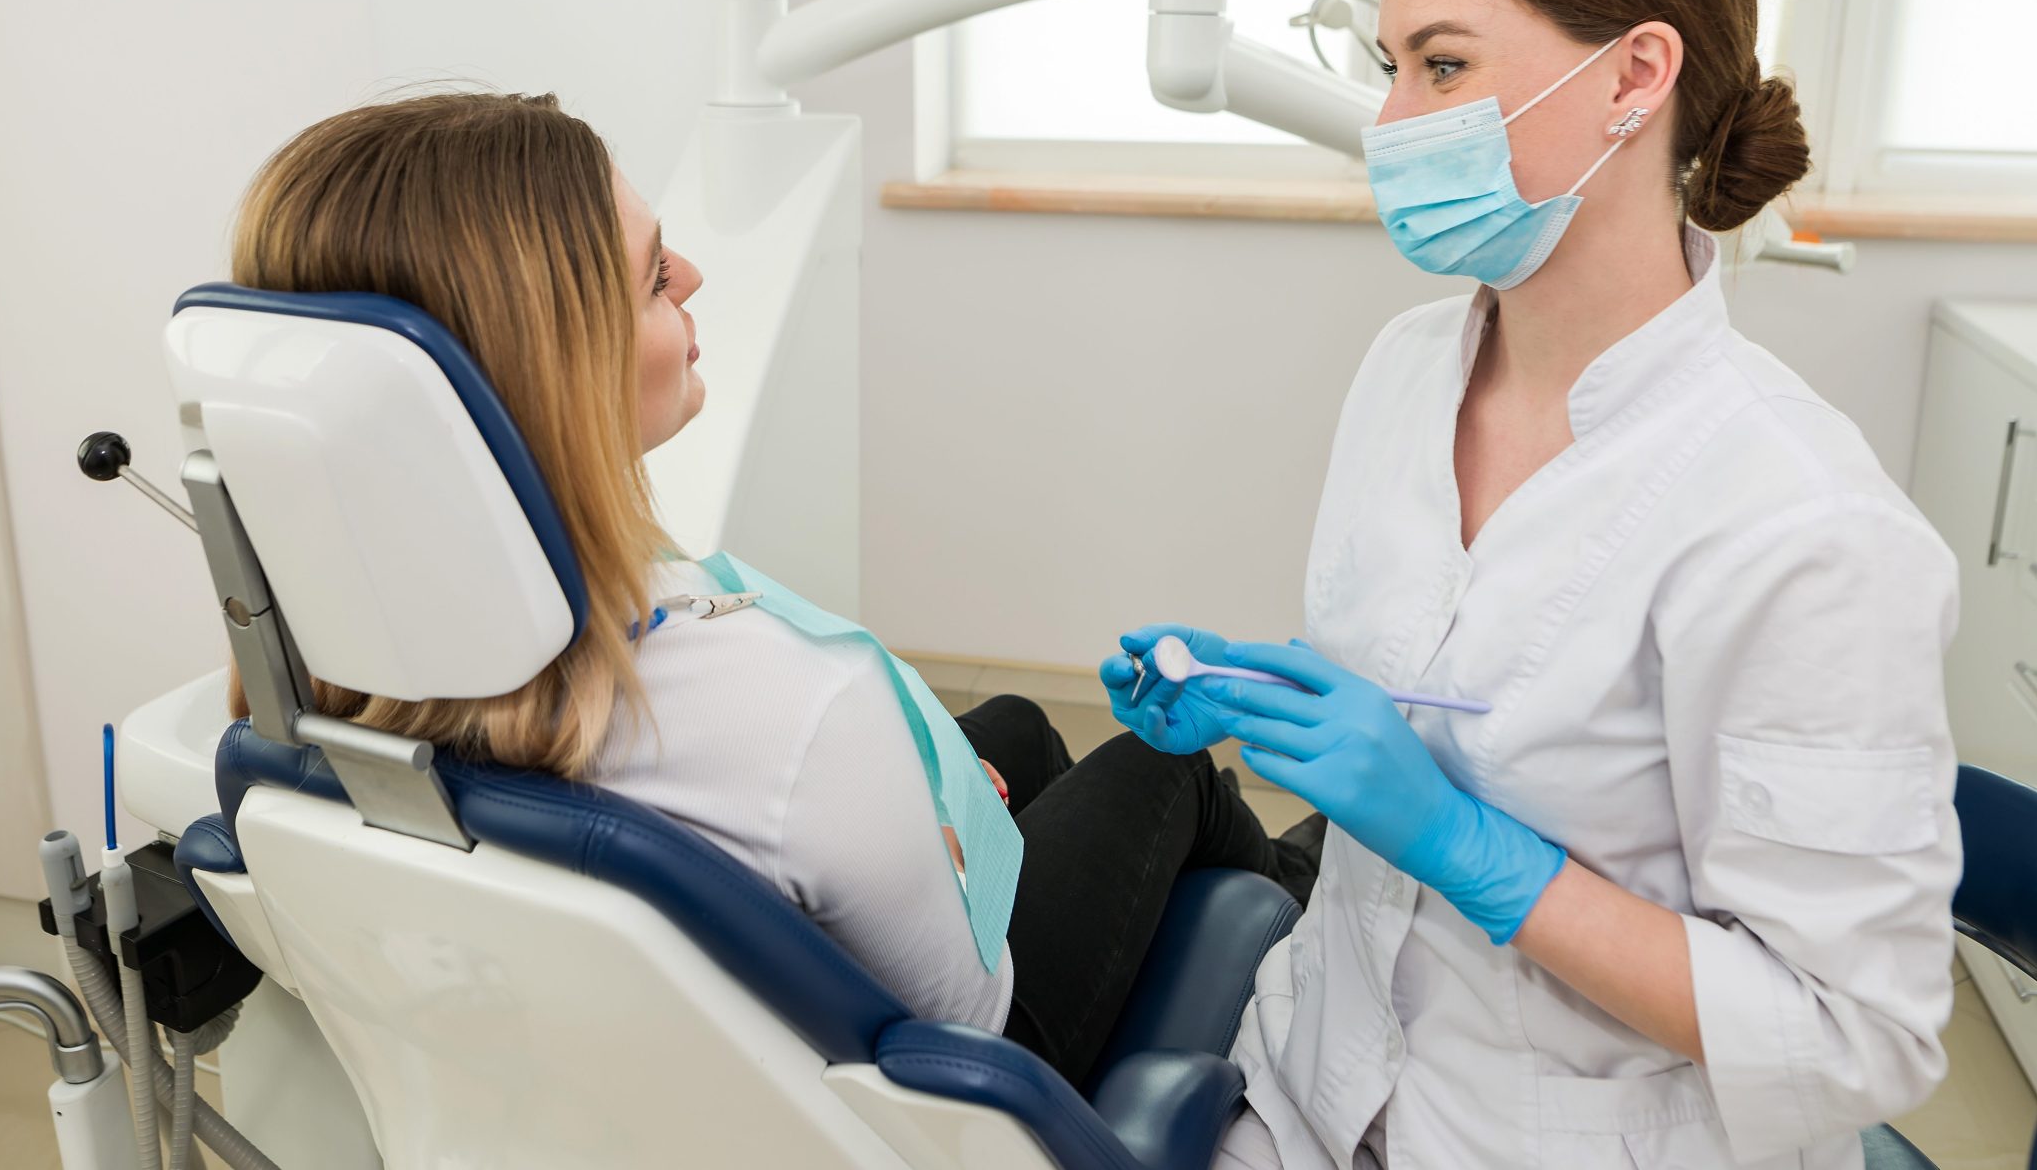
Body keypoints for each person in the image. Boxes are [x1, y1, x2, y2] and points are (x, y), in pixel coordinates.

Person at [1100, 0, 1960, 1168]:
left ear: (1637, 73)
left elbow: (1853, 1031)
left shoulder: (1803, 525)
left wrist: (1466, 844)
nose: (1389, 126)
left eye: (1442, 65)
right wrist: (1265, 695)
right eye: (1390, 69)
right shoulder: (1404, 371)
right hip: (1313, 1082)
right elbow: (1432, 691)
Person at [218, 89, 1315, 1087]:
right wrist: (914, 842)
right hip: (963, 1081)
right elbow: (965, 1008)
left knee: (1019, 728)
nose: (690, 277)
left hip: (628, 1043)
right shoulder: (791, 716)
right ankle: (1313, 905)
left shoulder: (319, 660)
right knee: (1161, 767)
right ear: (551, 367)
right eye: (653, 275)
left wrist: (907, 813)